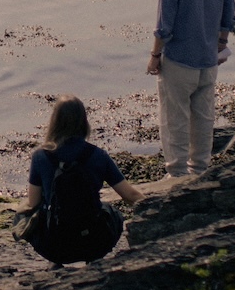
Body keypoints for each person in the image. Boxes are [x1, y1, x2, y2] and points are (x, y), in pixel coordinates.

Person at [146, 0, 234, 179]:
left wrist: (155, 56)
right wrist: (221, 43)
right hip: (208, 57)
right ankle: (200, 168)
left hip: (180, 58)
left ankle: (177, 173)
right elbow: (228, 9)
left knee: (175, 119)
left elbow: (165, 22)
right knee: (204, 117)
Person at [20, 96, 144, 265]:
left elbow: (33, 203)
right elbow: (130, 195)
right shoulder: (98, 155)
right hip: (94, 242)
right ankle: (93, 259)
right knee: (113, 212)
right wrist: (158, 208)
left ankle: (56, 263)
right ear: (83, 121)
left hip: (55, 246)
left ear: (54, 122)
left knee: (24, 215)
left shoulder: (40, 156)